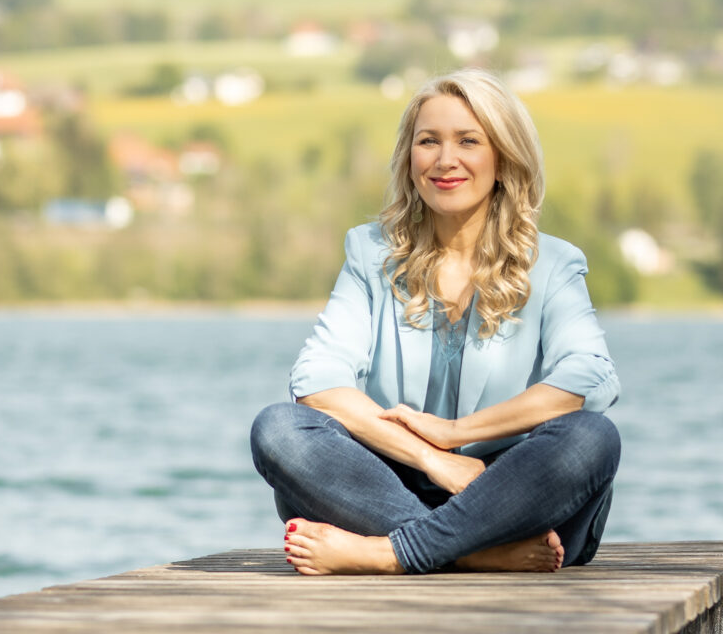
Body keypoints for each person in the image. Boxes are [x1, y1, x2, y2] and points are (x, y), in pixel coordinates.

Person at [249, 68, 621, 576]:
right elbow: (316, 380)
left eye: (468, 141)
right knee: (279, 428)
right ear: (410, 159)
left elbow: (590, 379)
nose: (446, 160)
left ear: (503, 158)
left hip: (513, 497)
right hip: (387, 485)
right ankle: (470, 553)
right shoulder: (369, 252)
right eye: (429, 141)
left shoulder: (554, 264)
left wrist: (454, 433)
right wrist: (432, 459)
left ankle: (393, 553)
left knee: (592, 438)